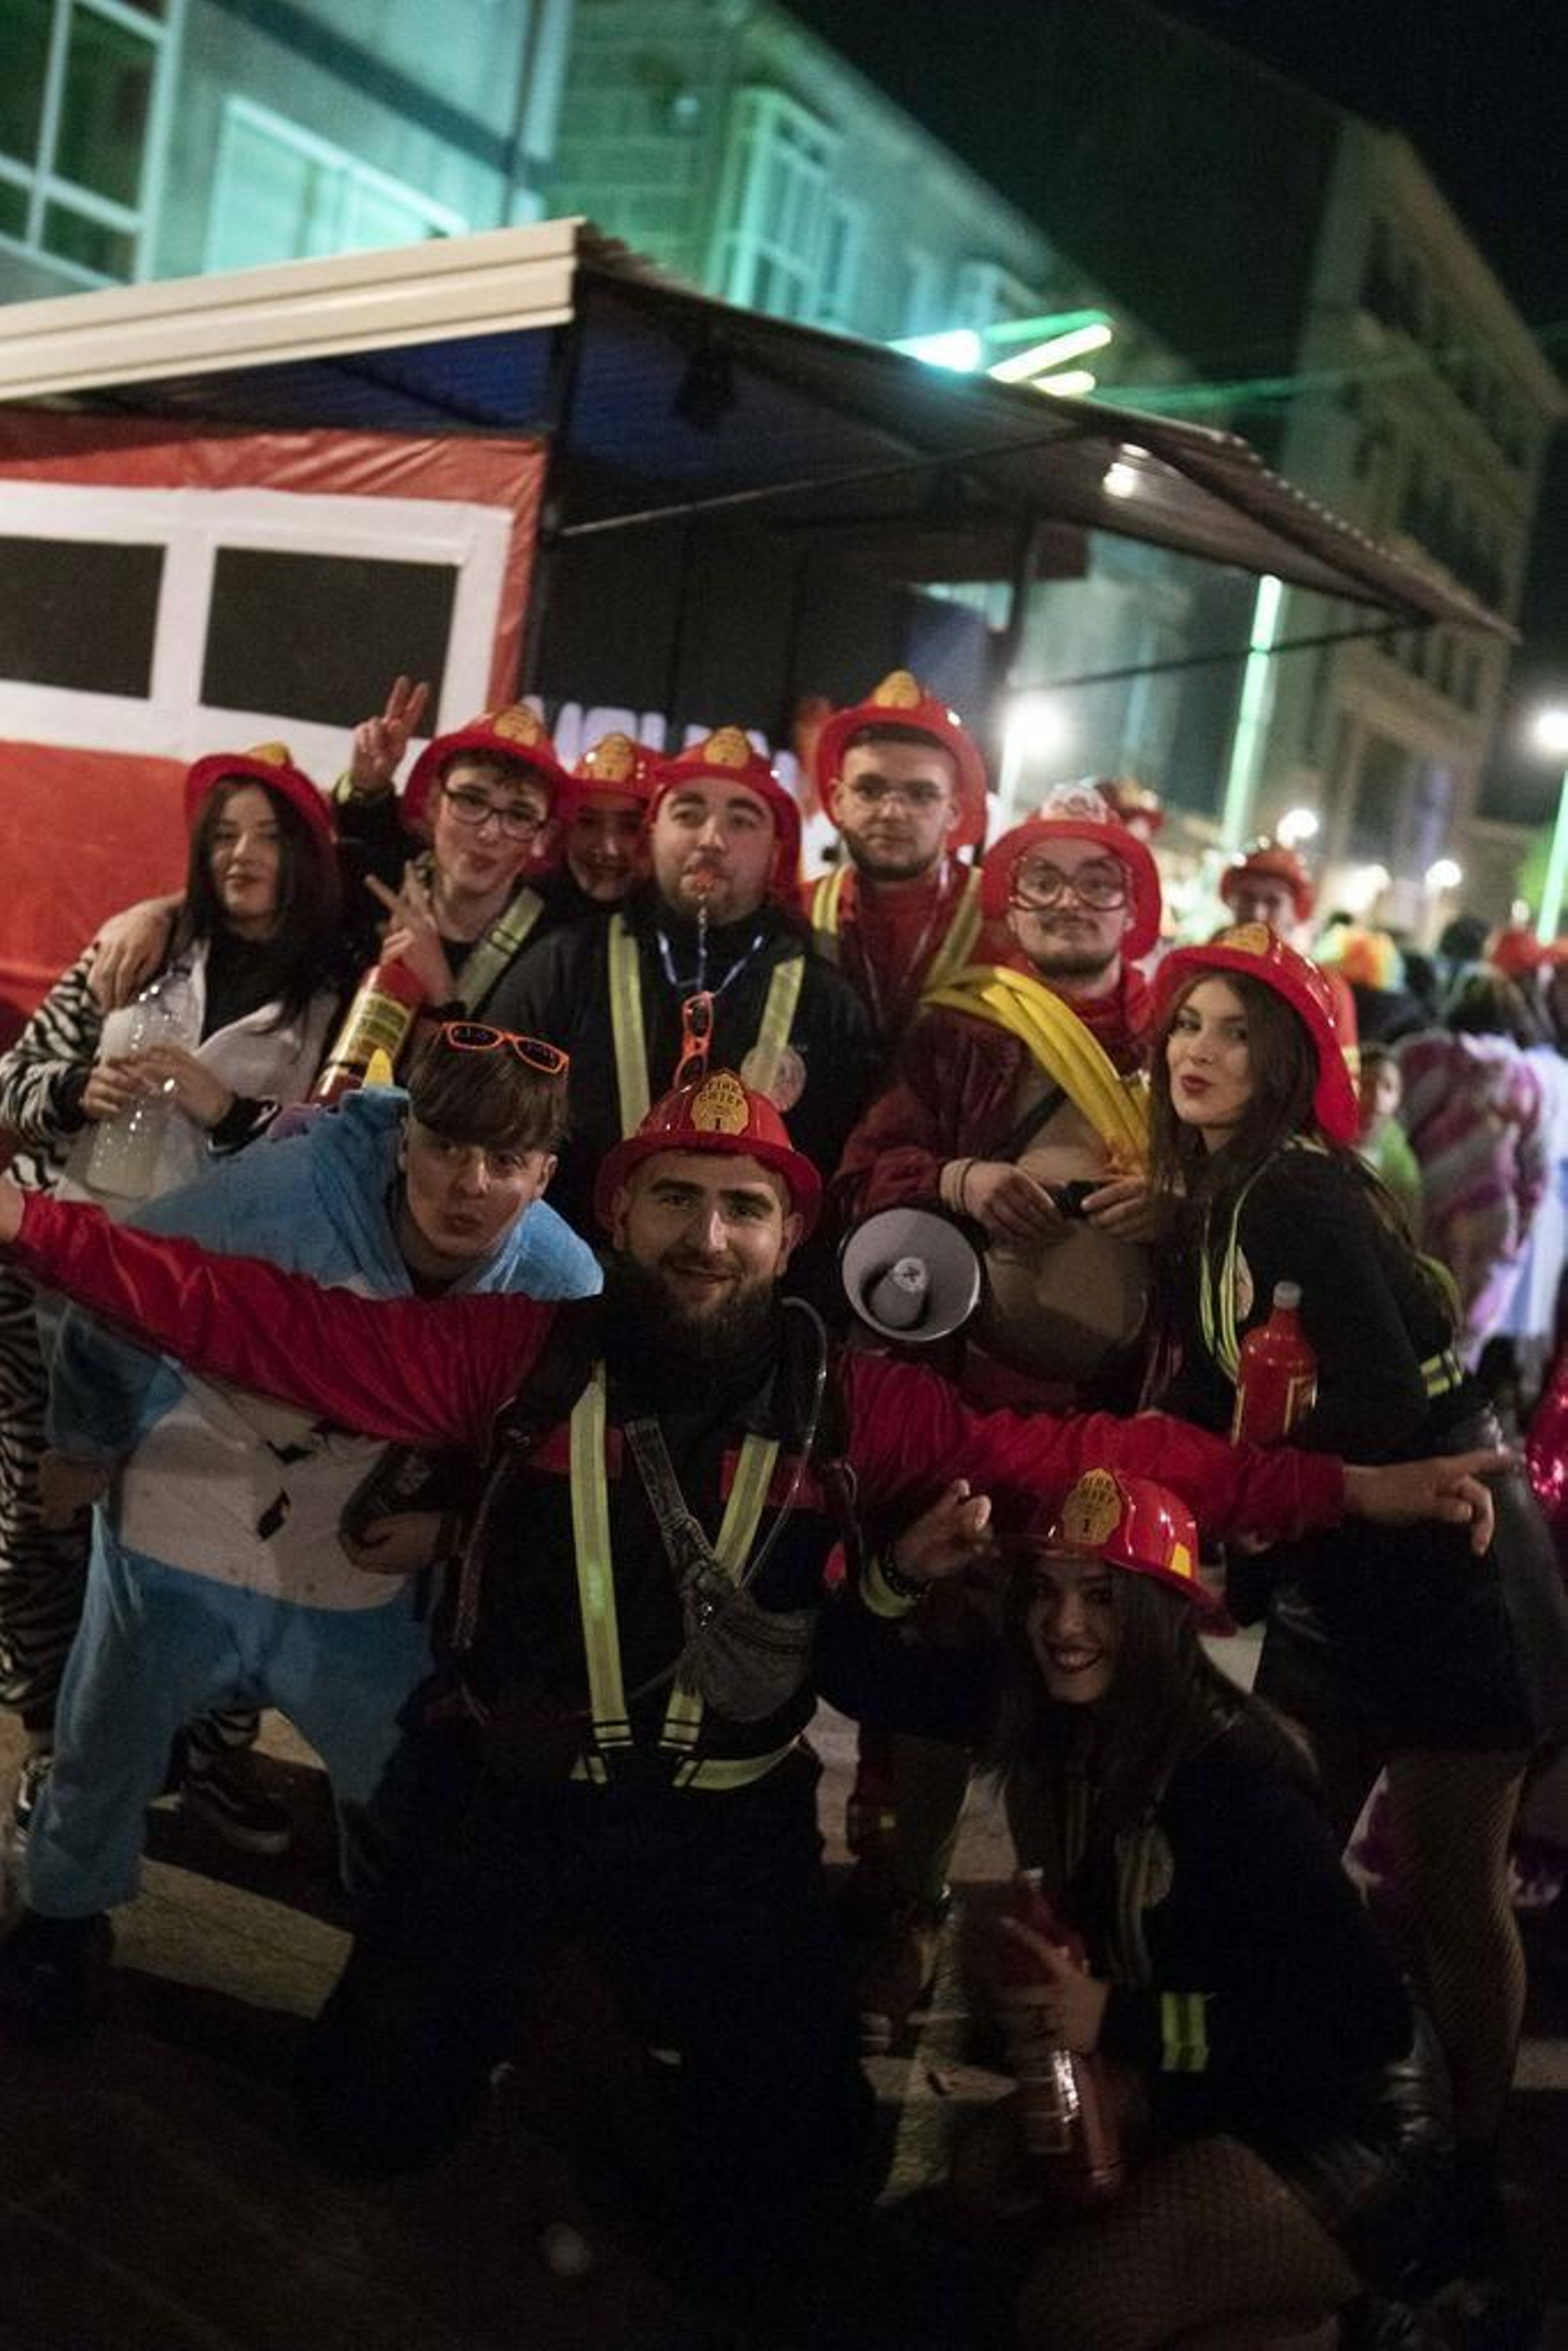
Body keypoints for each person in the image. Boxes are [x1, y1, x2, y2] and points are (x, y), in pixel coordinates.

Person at [0, 1073, 1504, 2295]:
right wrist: (28, 1221)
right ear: (621, 1215)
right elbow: (247, 1314)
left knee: (798, 2198)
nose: (707, 1235)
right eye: (676, 1199)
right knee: (365, 2122)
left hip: (724, 1828)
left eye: (743, 1206)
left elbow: (1095, 1458)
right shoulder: (508, 1349)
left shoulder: (854, 1392)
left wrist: (1353, 1489)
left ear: (789, 1235)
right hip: (507, 1801)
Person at [1, 1028, 599, 2037]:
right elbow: (119, 1298)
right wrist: (89, 1441)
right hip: (192, 1497)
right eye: (447, 1145)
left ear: (545, 1171)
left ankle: (401, 1890)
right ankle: (63, 1911)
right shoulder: (271, 1197)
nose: (468, 1184)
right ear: (406, 1135)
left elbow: (547, 1447)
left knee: (403, 1756)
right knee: (108, 1736)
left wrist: (456, 1525)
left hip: (356, 1544)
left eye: (505, 1161)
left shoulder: (559, 1278)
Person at [1146, 921, 1568, 2270]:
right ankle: (1298, 2096)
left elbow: (1386, 1398)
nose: (1200, 1052)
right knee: (1280, 1840)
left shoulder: (1295, 1192)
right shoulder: (1226, 1186)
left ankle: (1471, 2155)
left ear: (1292, 1063)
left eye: (1238, 1033)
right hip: (1348, 1563)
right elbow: (1236, 1377)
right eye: (1189, 1025)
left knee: (1454, 1888)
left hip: (1447, 1563)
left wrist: (1248, 1456)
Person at [966, 1470, 1448, 2351]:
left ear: (1162, 1616)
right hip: (1228, 2085)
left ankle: (1358, 2327)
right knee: (984, 2186)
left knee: (1075, 2313)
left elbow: (1365, 2023)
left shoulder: (1233, 1783)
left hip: (1348, 2126)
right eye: (1046, 1590)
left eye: (1102, 1597)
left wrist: (1115, 2020)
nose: (1063, 1625)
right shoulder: (1079, 1736)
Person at [833, 778, 1164, 2035]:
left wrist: (1174, 1210)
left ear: (1135, 905)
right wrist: (961, 1172)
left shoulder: (1175, 1030)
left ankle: (1068, 1922)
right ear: (1008, 901)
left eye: (1098, 882)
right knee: (939, 1667)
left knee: (1094, 1675)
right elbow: (869, 1166)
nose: (1070, 902)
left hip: (1118, 1413)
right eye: (1044, 881)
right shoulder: (961, 1029)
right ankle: (911, 1903)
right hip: (966, 1398)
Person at [0, 742, 345, 1848]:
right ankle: (55, 1740)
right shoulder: (138, 951)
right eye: (224, 834)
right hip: (59, 1279)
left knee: (211, 1542)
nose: (244, 856)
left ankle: (203, 1759)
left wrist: (223, 1107)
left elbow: (343, 1152)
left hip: (214, 1313)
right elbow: (15, 1078)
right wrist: (70, 1086)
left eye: (270, 835)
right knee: (45, 1528)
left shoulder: (339, 995)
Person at [488, 724, 875, 1240]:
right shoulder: (564, 965)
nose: (711, 840)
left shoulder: (828, 1004)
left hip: (747, 1306)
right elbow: (488, 1134)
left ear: (776, 852)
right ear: (653, 834)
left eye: (741, 821)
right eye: (688, 814)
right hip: (574, 1289)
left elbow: (837, 1193)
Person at [807, 669, 988, 1053]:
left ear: (953, 811)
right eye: (870, 790)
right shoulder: (796, 912)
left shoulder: (1002, 919)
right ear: (838, 801)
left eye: (921, 795)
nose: (892, 812)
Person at [1397, 967, 1547, 1362]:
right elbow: (1536, 1170)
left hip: (1421, 1209)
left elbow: (1387, 1130)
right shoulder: (1527, 1079)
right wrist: (1520, 1237)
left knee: (1405, 1326)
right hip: (1494, 1219)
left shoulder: (1421, 1056)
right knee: (1463, 1342)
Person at [1218, 834, 1358, 1062]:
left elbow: (1343, 1087)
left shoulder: (1328, 990)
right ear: (1230, 900)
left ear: (1297, 911)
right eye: (1247, 897)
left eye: (1273, 902)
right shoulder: (1192, 972)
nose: (1257, 913)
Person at [1354, 1045, 1422, 1227]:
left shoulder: (1400, 1162)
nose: (1377, 1097)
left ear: (1399, 1097)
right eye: (1366, 1084)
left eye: (1388, 1088)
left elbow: (1409, 1227)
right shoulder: (1322, 1138)